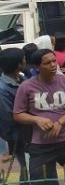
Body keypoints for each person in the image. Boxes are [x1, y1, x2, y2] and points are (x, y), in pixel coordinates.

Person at [13, 49, 65, 184]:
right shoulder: (26, 87)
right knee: (41, 180)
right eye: (47, 63)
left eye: (54, 61)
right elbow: (17, 114)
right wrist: (36, 119)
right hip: (41, 144)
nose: (53, 65)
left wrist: (60, 122)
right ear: (36, 67)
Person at [0, 48, 28, 181]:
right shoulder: (3, 89)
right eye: (23, 58)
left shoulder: (22, 78)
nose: (25, 60)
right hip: (19, 135)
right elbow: (8, 117)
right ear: (18, 64)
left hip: (28, 131)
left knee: (29, 167)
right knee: (27, 167)